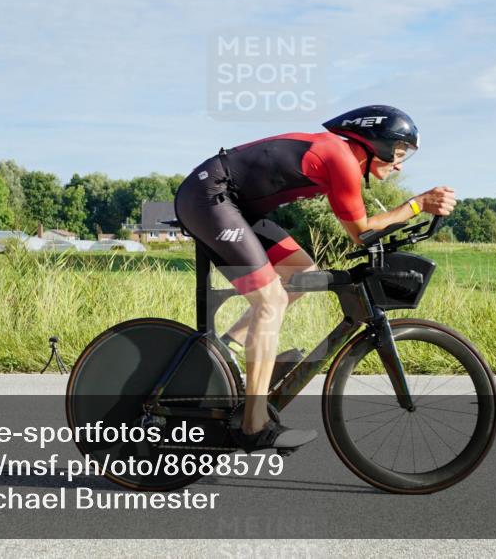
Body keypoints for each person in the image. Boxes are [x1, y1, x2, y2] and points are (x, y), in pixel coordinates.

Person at [173, 105, 456, 451]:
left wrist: (411, 216)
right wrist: (417, 205)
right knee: (270, 301)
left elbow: (365, 231)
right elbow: (361, 232)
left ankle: (226, 352)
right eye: (398, 153)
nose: (399, 165)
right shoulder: (340, 159)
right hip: (209, 197)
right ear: (376, 144)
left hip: (236, 207)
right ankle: (253, 425)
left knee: (302, 272)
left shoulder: (341, 159)